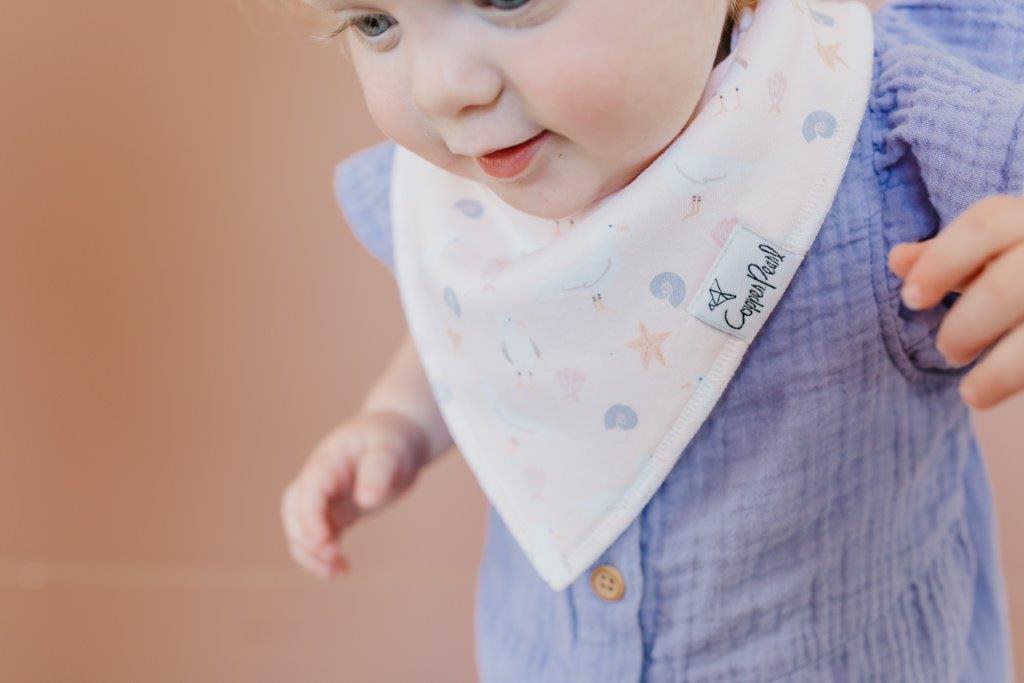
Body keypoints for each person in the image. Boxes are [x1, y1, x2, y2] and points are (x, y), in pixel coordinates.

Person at [279, 0, 1024, 679]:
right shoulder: (470, 183)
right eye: (375, 23)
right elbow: (485, 323)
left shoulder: (882, 127)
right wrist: (401, 416)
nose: (439, 87)